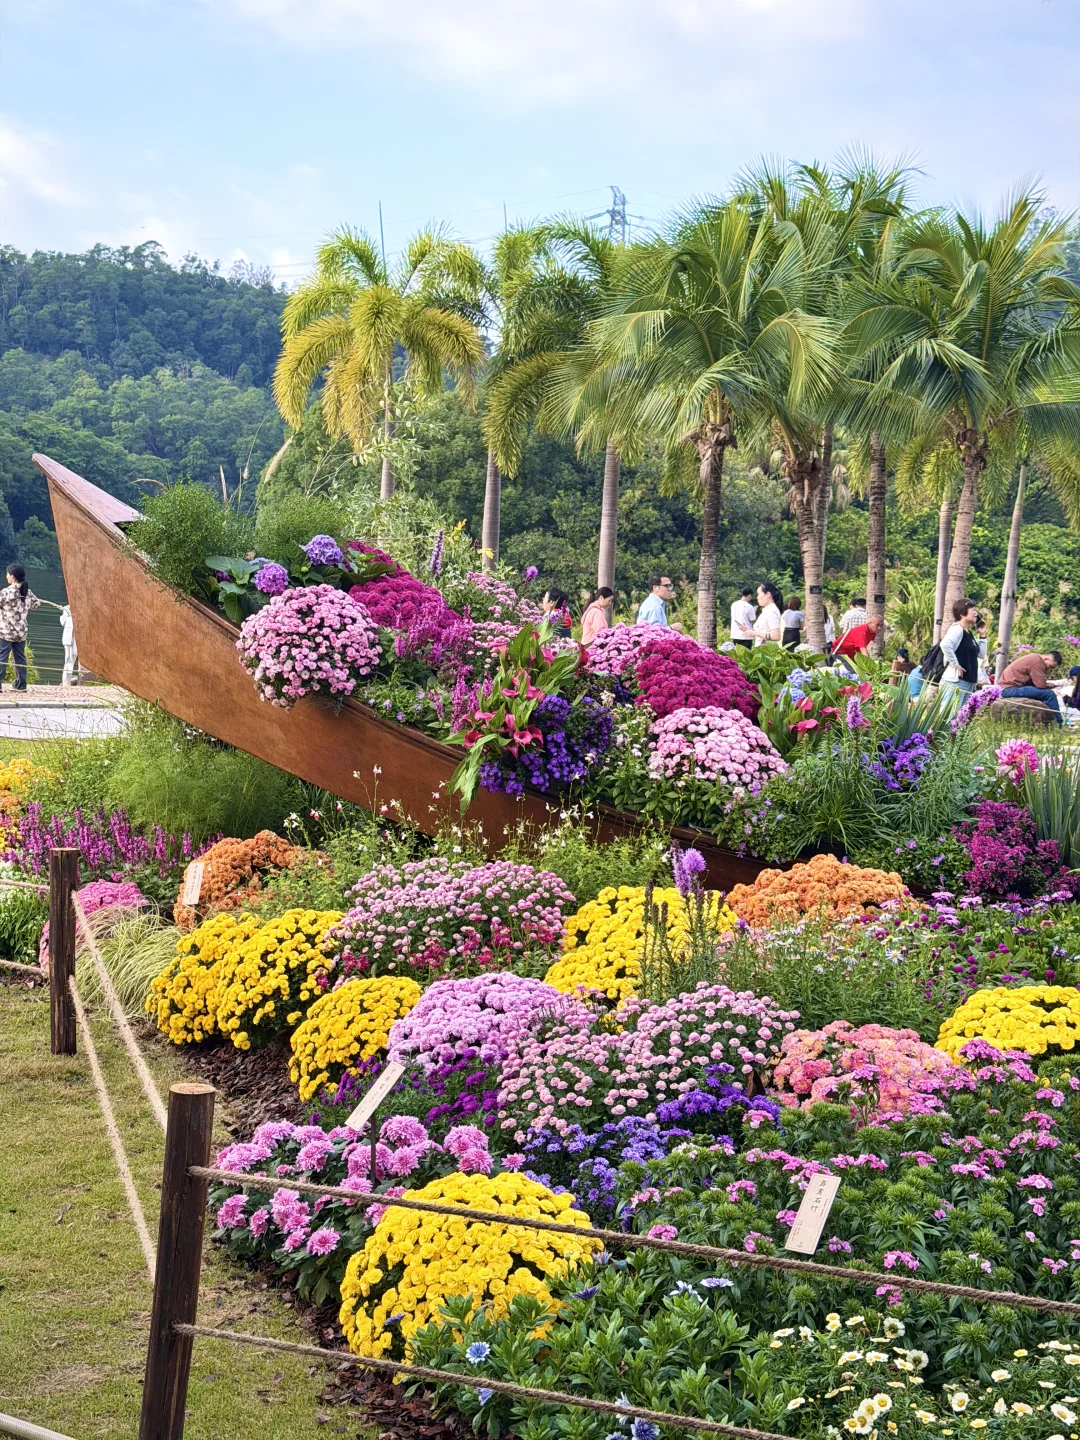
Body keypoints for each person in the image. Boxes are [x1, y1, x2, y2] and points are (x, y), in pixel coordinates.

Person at [0, 564, 40, 692]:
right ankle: (21, 684)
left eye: (7, 574)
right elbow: (35, 604)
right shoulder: (27, 592)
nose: (6, 576)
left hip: (6, 632)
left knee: (2, 657)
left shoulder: (6, 592)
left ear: (12, 576)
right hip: (21, 631)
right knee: (20, 657)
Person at [1000, 648, 1065, 725]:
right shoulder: (1037, 662)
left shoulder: (1034, 658)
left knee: (1043, 693)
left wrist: (1045, 685)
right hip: (1011, 689)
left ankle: (1048, 721)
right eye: (1050, 666)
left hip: (1011, 687)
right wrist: (1046, 685)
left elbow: (1036, 683)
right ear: (1046, 658)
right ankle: (1058, 723)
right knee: (1049, 694)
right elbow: (1040, 685)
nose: (1049, 669)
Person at [938, 598, 980, 708]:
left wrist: (983, 635)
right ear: (962, 614)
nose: (975, 612)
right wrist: (955, 664)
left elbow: (980, 654)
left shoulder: (969, 633)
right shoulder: (957, 629)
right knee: (949, 719)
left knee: (960, 721)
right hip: (956, 682)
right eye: (972, 610)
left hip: (968, 682)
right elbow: (945, 644)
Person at [60, 603, 79, 686]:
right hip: (69, 639)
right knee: (68, 661)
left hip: (80, 640)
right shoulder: (67, 608)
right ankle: (66, 684)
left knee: (82, 663)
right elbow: (62, 622)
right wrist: (70, 615)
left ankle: (83, 683)